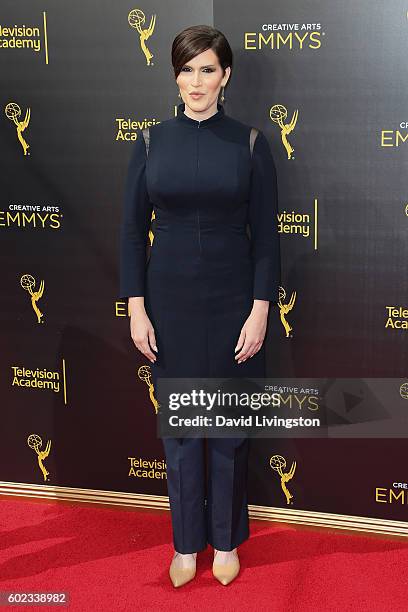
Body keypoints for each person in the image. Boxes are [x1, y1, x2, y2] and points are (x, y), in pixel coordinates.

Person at [119, 25, 281, 587]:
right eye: (186, 70)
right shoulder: (149, 143)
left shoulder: (253, 144)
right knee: (183, 431)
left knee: (230, 427)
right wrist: (136, 308)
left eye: (207, 69)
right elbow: (131, 233)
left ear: (226, 75)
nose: (196, 81)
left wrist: (261, 309)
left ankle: (226, 540)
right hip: (169, 305)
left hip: (235, 301)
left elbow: (267, 237)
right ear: (174, 75)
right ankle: (186, 545)